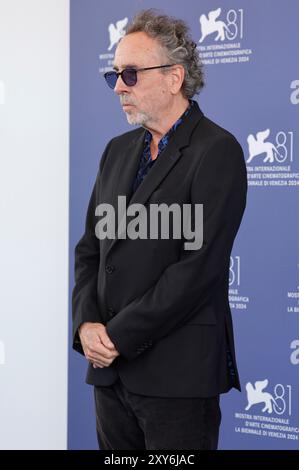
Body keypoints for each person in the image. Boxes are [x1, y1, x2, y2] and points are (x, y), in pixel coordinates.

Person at [72, 9, 247, 450]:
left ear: (174, 77)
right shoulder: (116, 151)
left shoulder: (217, 151)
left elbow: (197, 270)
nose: (118, 87)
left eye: (130, 74)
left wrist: (117, 336)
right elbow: (90, 251)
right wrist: (87, 324)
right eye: (114, 74)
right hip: (110, 377)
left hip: (177, 378)